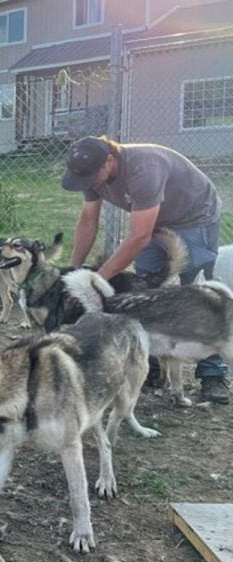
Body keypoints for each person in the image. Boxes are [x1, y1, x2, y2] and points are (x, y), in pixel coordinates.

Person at [62, 135, 228, 404]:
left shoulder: (143, 168)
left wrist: (95, 279)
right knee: (146, 295)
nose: (89, 184)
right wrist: (74, 270)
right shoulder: (92, 174)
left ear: (109, 160)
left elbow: (139, 237)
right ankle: (149, 370)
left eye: (92, 177)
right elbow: (88, 221)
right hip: (152, 218)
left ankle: (212, 376)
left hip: (195, 217)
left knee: (200, 297)